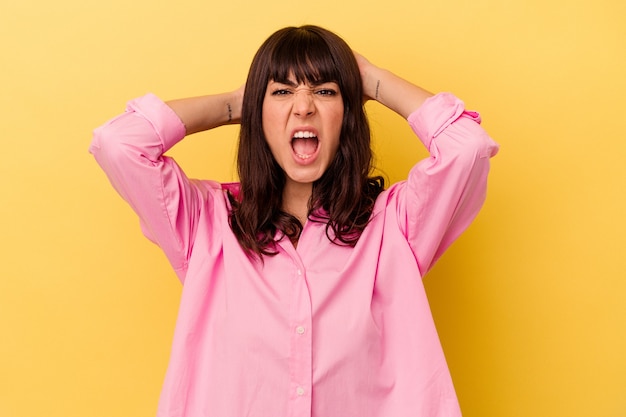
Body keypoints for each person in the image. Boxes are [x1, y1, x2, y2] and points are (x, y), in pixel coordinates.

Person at [90, 25, 498, 417]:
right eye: (282, 91)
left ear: (347, 115)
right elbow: (119, 143)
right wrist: (238, 104)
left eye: (325, 91)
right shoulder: (205, 223)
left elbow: (467, 149)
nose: (303, 106)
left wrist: (371, 80)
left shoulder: (395, 225)